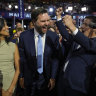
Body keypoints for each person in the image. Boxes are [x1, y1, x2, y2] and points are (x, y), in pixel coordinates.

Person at [18, 7, 60, 96]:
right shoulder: (24, 36)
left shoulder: (53, 37)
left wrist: (53, 77)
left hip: (46, 79)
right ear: (34, 22)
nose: (47, 24)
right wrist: (21, 76)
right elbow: (22, 58)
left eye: (48, 20)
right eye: (43, 21)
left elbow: (55, 58)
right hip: (29, 78)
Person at [56, 7, 96, 96]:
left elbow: (87, 43)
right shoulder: (79, 38)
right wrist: (58, 18)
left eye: (85, 24)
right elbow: (66, 35)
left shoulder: (93, 43)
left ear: (94, 28)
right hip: (63, 81)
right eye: (82, 23)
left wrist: (71, 26)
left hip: (77, 87)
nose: (82, 26)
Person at [0, 17, 20, 96]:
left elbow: (18, 69)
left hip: (10, 86)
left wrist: (10, 89)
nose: (7, 27)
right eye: (4, 25)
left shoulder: (13, 46)